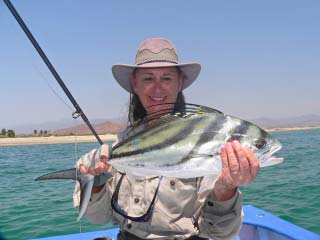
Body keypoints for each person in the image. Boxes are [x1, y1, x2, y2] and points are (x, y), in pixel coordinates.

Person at [74, 38, 260, 240]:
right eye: (148, 79)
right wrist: (97, 183)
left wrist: (226, 188)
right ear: (135, 84)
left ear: (179, 83)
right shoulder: (121, 145)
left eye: (166, 78)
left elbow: (220, 233)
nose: (157, 88)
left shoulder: (206, 139)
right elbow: (99, 217)